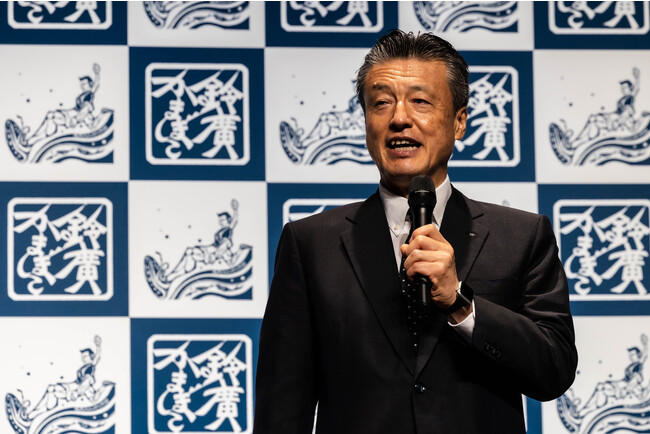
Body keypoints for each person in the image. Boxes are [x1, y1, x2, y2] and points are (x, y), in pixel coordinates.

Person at [254, 30, 578, 433]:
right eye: (381, 103)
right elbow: (281, 409)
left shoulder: (521, 236)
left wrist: (461, 304)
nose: (399, 118)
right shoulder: (310, 244)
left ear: (459, 121)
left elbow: (555, 369)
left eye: (420, 101)